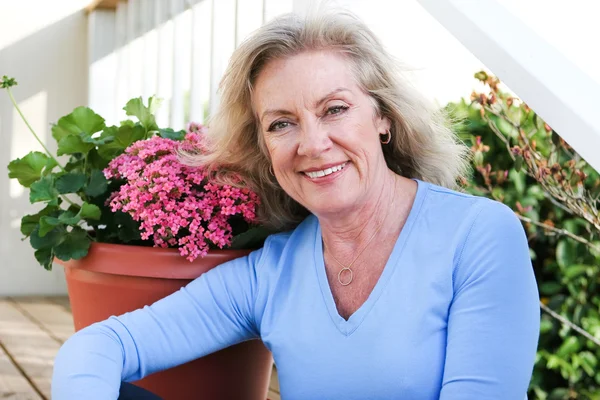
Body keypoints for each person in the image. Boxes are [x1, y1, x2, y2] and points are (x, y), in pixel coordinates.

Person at [51, 9, 540, 400]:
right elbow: (100, 345)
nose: (312, 143)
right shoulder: (273, 272)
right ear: (264, 148)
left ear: (383, 117)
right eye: (281, 123)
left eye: (335, 109)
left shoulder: (477, 234)